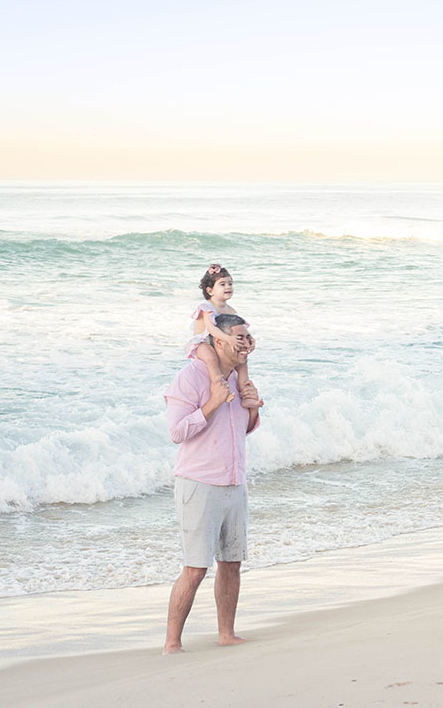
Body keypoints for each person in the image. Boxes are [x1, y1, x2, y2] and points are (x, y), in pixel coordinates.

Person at [163, 313, 263, 653]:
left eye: (248, 337)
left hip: (235, 482)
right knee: (195, 569)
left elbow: (241, 429)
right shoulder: (190, 377)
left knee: (232, 564)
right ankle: (172, 643)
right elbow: (177, 432)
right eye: (239, 337)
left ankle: (226, 633)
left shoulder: (238, 377)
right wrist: (213, 403)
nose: (245, 344)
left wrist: (252, 409)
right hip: (198, 484)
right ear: (218, 340)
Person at [187, 264, 251, 398]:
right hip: (203, 344)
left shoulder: (231, 310)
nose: (228, 287)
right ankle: (219, 387)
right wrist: (229, 339)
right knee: (211, 358)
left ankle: (245, 393)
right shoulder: (207, 307)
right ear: (210, 291)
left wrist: (250, 341)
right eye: (222, 284)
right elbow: (211, 329)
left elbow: (239, 329)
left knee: (242, 362)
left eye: (230, 283)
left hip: (221, 344)